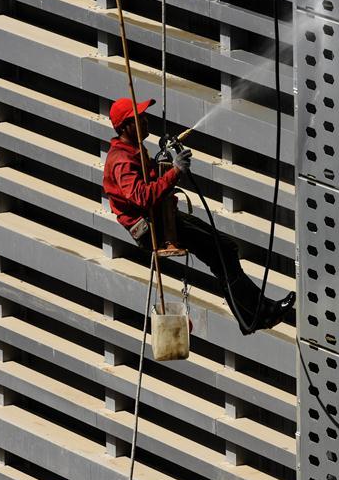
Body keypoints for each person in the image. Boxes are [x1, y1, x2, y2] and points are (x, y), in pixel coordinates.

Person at [102, 97, 295, 334]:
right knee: (222, 253)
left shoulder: (133, 150)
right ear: (125, 127)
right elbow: (141, 196)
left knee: (226, 248)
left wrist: (163, 166)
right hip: (153, 228)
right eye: (139, 119)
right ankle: (259, 314)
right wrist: (174, 172)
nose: (145, 121)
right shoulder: (122, 160)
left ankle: (254, 314)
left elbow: (147, 183)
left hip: (163, 218)